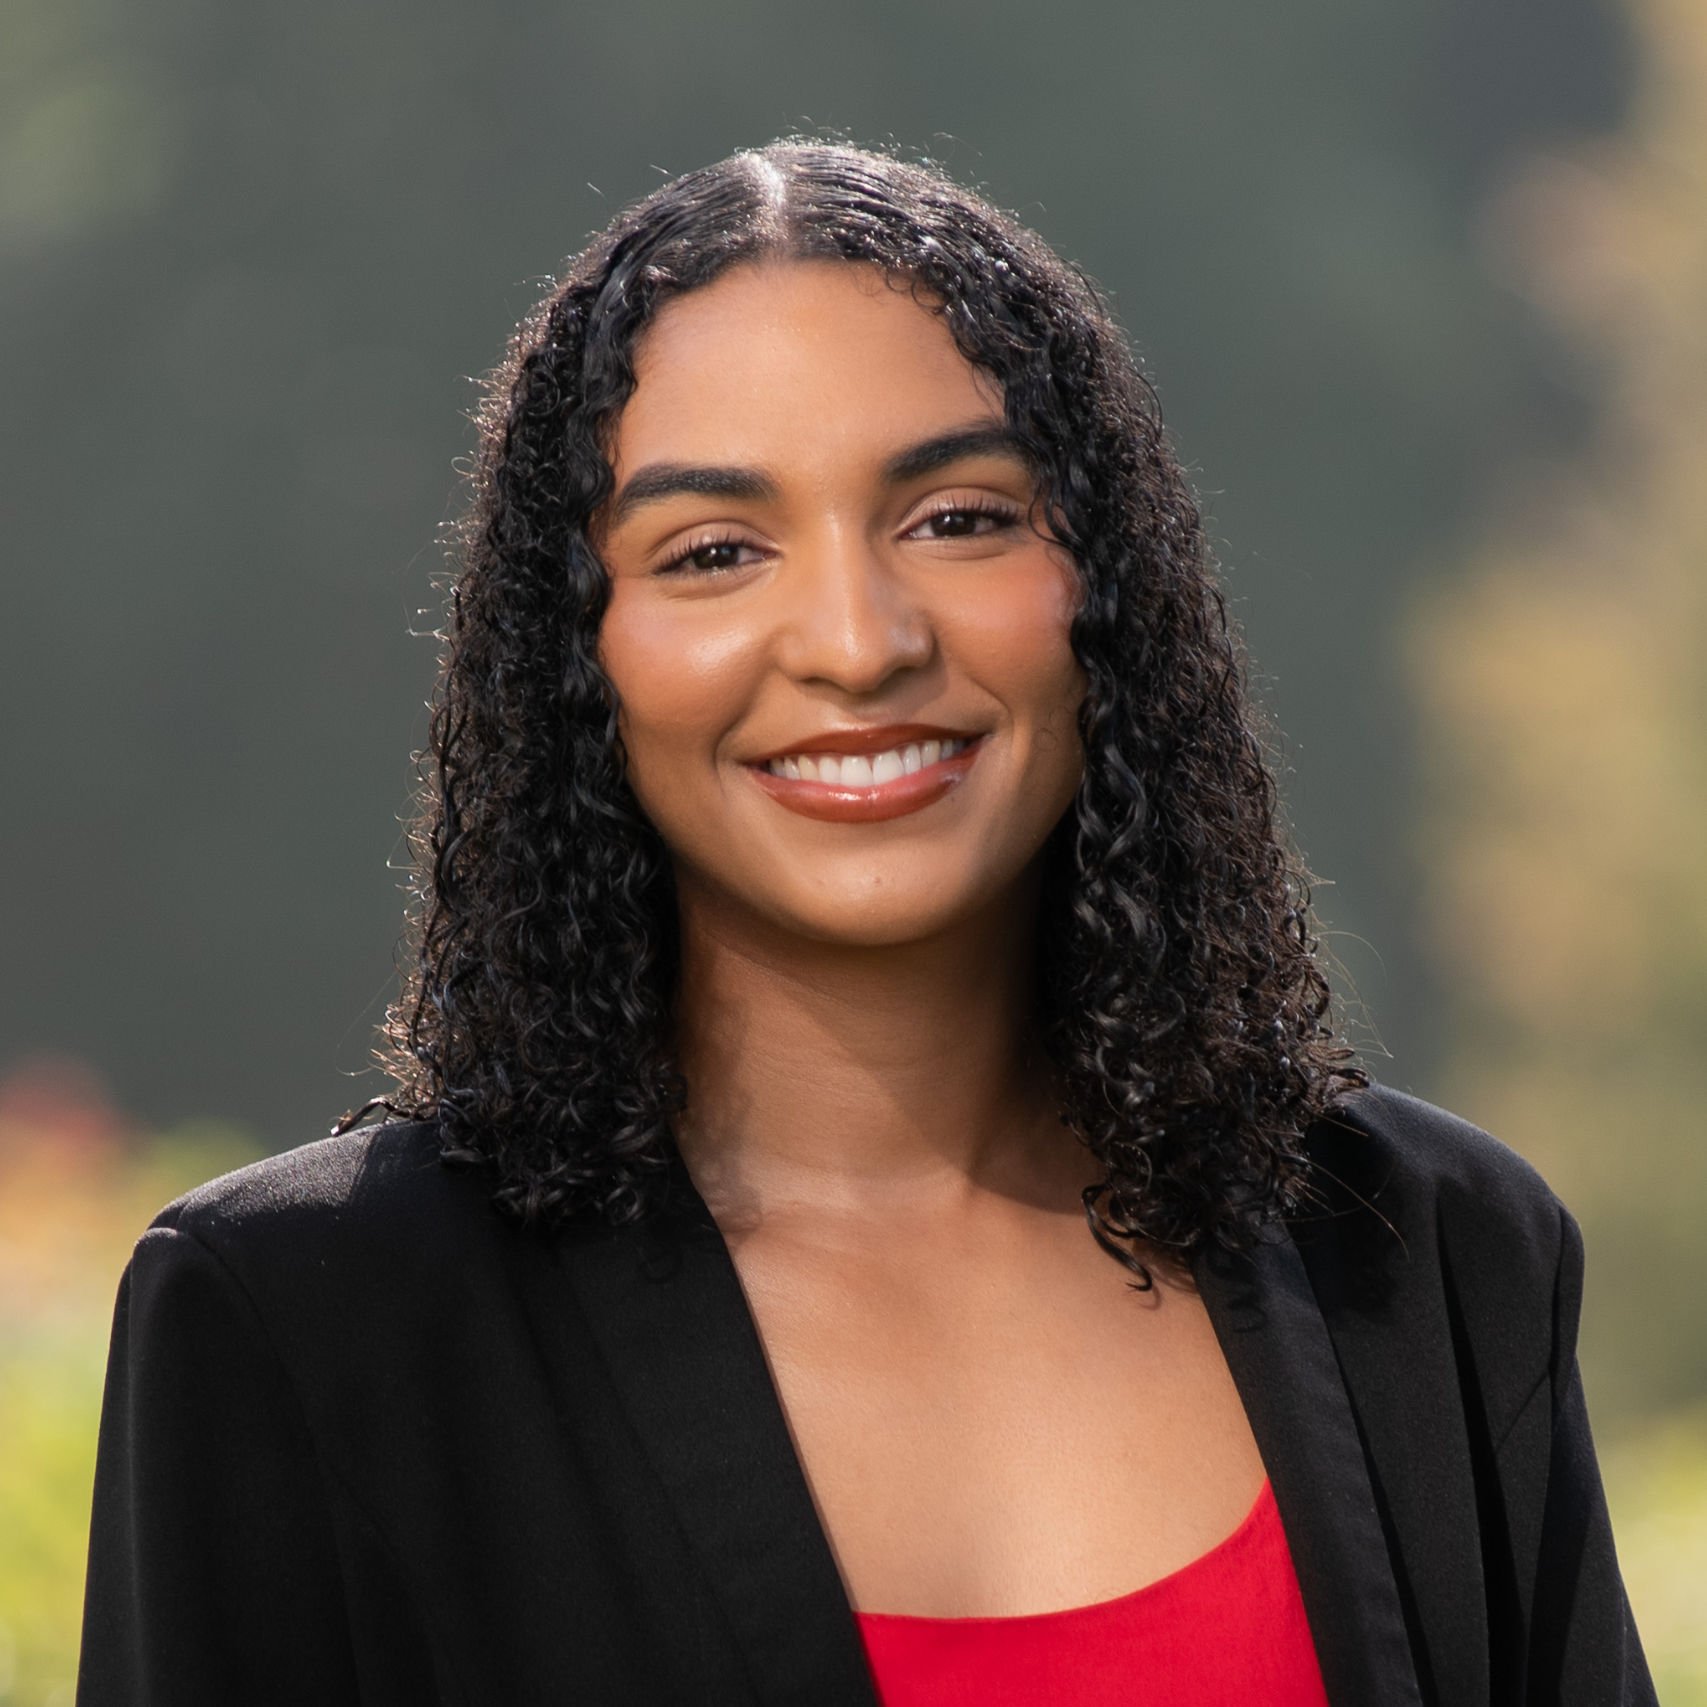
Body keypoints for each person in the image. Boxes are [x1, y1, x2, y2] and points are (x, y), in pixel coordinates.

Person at [76, 139, 1655, 1706]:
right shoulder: (306, 1321)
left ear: (1109, 579)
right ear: (577, 657)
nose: (857, 640)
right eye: (713, 553)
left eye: (959, 518)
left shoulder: (1429, 1256)